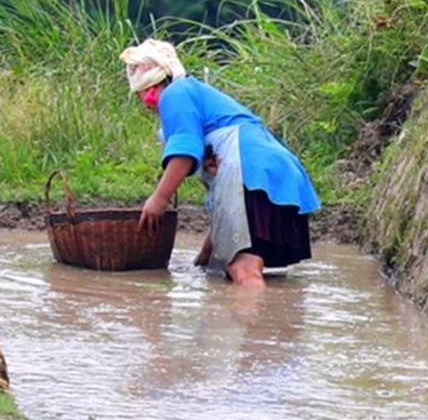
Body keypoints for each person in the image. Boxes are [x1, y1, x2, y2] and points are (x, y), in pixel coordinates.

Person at [121, 39, 319, 288]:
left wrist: (159, 199)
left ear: (149, 88)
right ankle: (269, 312)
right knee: (228, 266)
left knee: (242, 268)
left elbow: (185, 151)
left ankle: (257, 309)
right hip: (278, 181)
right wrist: (204, 258)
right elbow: (228, 208)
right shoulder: (198, 96)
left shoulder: (175, 94)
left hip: (253, 174)